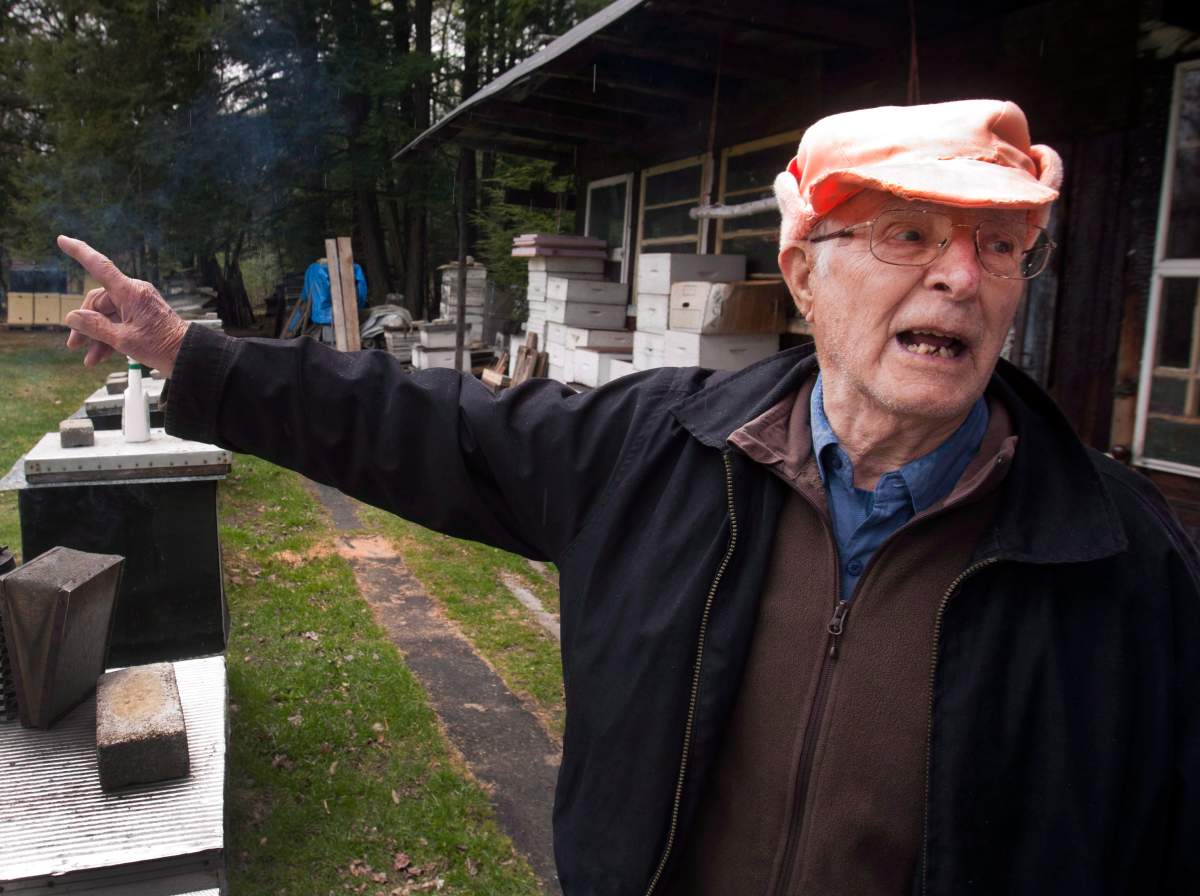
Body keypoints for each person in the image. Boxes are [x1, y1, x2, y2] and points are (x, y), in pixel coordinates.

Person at [57, 99, 1198, 895]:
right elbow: (417, 422)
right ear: (804, 271)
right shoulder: (656, 453)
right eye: (910, 234)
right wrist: (191, 356)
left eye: (998, 247)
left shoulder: (1125, 563)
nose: (962, 274)